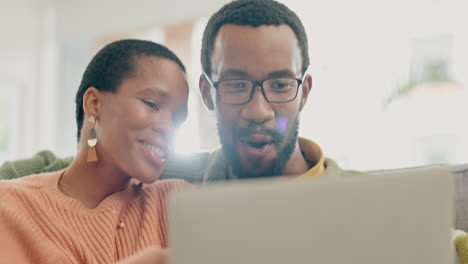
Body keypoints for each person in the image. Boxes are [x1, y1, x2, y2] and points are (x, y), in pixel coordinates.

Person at [1, 0, 466, 262]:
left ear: (304, 91)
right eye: (238, 86)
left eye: (280, 85)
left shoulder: (369, 199)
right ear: (209, 93)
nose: (259, 111)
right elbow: (75, 166)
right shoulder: (181, 180)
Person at [0, 39, 191, 263]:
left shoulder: (178, 202)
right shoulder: (10, 207)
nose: (169, 128)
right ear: (94, 104)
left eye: (178, 120)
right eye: (152, 104)